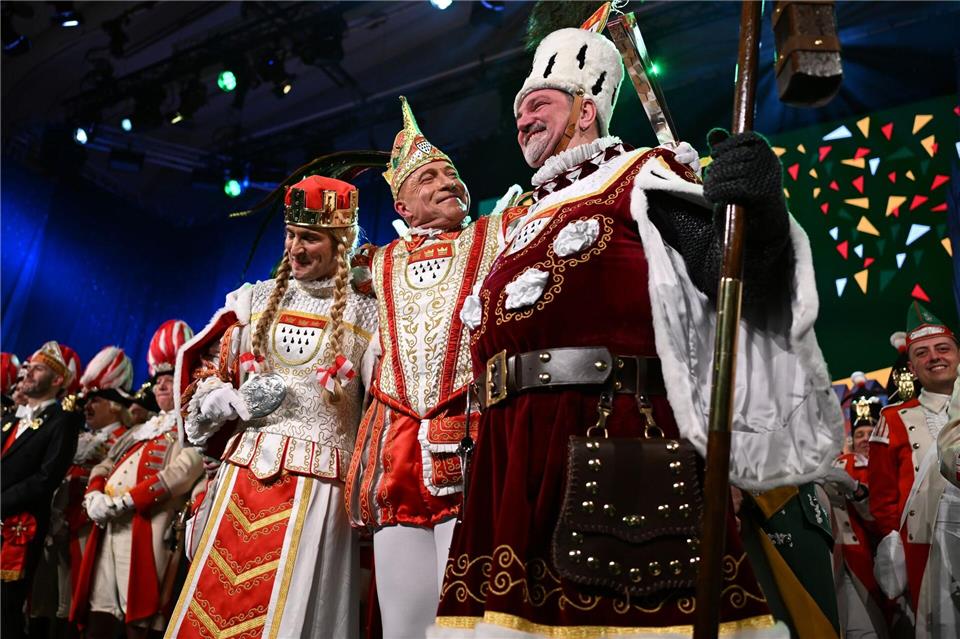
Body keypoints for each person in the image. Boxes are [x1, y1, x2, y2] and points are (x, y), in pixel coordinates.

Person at [433, 8, 843, 637]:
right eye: (518, 108)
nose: (522, 118)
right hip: (512, 460)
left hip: (611, 442)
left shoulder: (641, 177)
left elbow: (736, 280)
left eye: (538, 103)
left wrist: (757, 211)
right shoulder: (517, 220)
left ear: (585, 109)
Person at [165, 175, 379, 639]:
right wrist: (218, 397)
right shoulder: (254, 300)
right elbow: (206, 375)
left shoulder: (369, 316)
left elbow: (383, 406)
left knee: (296, 612)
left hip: (319, 490)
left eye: (310, 237)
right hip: (242, 480)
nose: (296, 248)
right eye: (291, 234)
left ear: (341, 241)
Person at [343, 97, 503, 639]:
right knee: (404, 623)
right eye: (429, 176)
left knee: (469, 619)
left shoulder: (495, 234)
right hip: (394, 453)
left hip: (469, 439)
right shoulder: (377, 263)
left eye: (451, 173)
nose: (447, 182)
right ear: (404, 207)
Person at [71, 321, 203, 639]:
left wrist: (131, 499)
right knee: (102, 609)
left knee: (140, 617)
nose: (160, 386)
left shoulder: (193, 428)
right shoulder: (140, 428)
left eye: (169, 380)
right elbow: (106, 463)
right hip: (111, 523)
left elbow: (185, 469)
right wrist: (95, 496)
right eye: (157, 381)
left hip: (151, 524)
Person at [869, 302, 960, 637]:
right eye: (922, 353)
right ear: (911, 366)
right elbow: (882, 498)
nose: (934, 357)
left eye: (943, 348)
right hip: (925, 550)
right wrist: (894, 548)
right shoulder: (893, 418)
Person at [33, 346, 134, 637]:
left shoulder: (122, 438)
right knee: (47, 598)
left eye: (96, 400)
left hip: (86, 525)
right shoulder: (83, 436)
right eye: (87, 400)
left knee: (73, 597)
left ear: (114, 406)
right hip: (59, 521)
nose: (87, 407)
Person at [1, 342, 84, 639]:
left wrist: (1, 503)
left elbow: (46, 478)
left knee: (6, 608)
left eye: (38, 369)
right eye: (28, 367)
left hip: (19, 523)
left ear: (57, 380)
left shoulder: (62, 421)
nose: (28, 372)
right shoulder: (10, 419)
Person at [823, 374, 888, 638]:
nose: (864, 439)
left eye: (870, 432)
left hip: (871, 559)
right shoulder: (843, 463)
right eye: (859, 433)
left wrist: (857, 490)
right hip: (840, 559)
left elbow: (880, 517)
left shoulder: (883, 465)